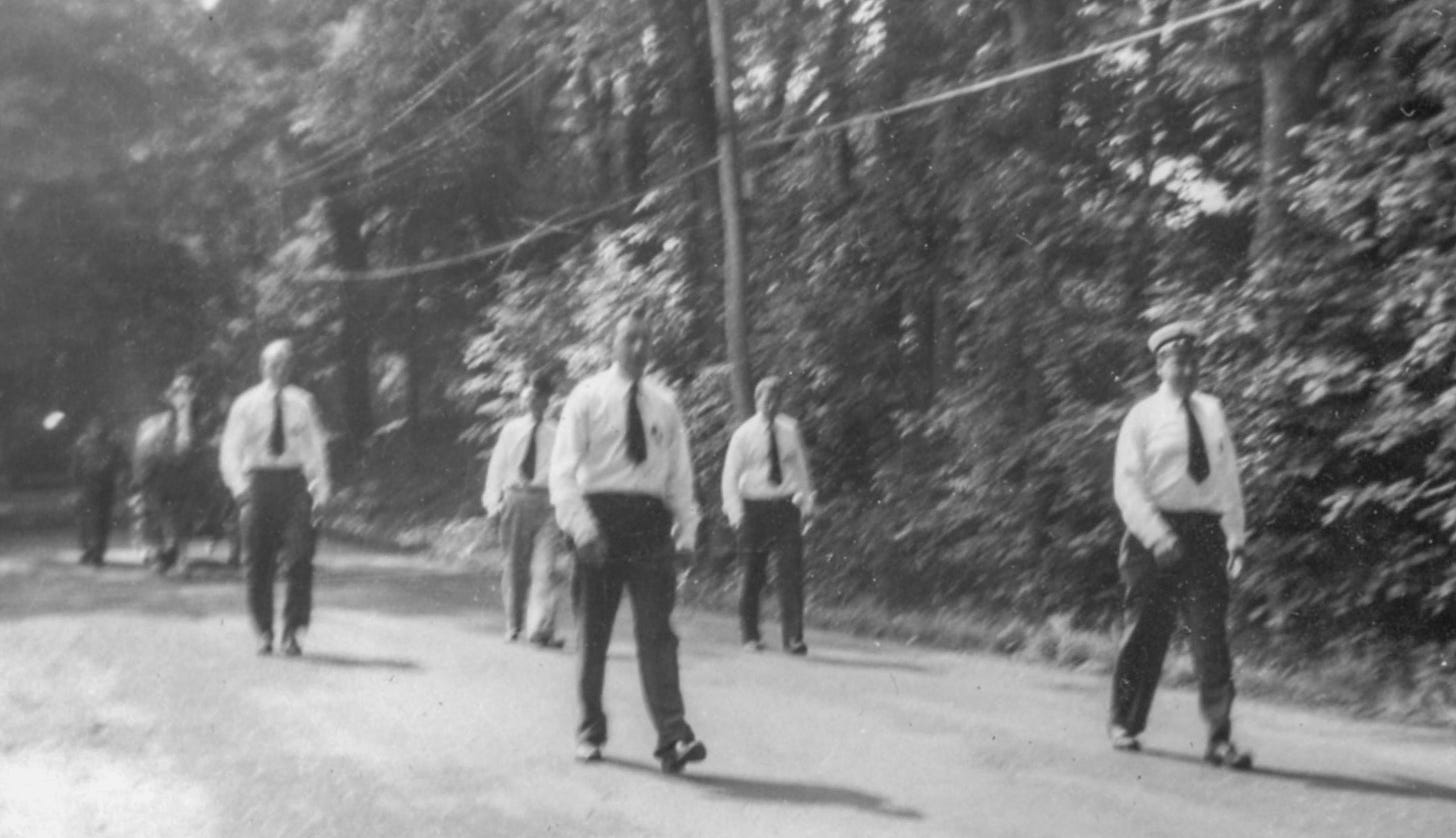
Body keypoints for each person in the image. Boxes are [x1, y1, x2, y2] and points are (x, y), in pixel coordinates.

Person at [549, 306, 707, 774]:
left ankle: (672, 738)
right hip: (599, 523)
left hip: (650, 526)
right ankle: (590, 730)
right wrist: (582, 529)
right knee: (593, 634)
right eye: (629, 339)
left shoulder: (665, 404)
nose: (639, 348)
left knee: (658, 634)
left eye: (645, 339)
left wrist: (688, 530)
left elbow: (680, 476)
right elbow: (561, 473)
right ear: (613, 344)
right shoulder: (587, 397)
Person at [1109, 321, 1252, 769]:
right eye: (1178, 361)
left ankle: (1220, 739)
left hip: (1206, 535)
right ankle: (1125, 724)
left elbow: (1227, 479)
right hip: (1154, 534)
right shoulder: (1143, 416)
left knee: (1212, 637)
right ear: (1160, 365)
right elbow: (1127, 486)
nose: (1188, 369)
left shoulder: (1212, 410)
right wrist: (1157, 536)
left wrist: (1236, 537)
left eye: (1194, 361)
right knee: (1146, 634)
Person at [219, 340, 331, 657]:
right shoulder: (246, 404)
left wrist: (320, 491)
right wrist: (240, 491)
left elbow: (316, 451)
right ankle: (264, 631)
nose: (280, 370)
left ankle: (293, 632)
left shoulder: (303, 403)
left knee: (300, 557)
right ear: (263, 367)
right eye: (274, 364)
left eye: (285, 364)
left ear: (291, 367)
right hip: (258, 483)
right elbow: (229, 452)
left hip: (295, 484)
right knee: (258, 561)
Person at [721, 376, 816, 655]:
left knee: (791, 573)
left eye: (776, 399)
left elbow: (801, 470)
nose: (771, 404)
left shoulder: (790, 429)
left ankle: (793, 638)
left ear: (780, 401)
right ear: (757, 400)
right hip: (753, 508)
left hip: (785, 507)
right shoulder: (744, 434)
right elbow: (729, 478)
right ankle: (750, 635)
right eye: (765, 399)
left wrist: (807, 506)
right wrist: (737, 516)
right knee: (752, 574)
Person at [483, 371, 569, 649]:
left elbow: (566, 472)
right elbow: (496, 468)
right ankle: (514, 624)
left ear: (548, 400)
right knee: (515, 566)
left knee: (546, 568)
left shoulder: (558, 432)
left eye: (540, 396)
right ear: (524, 397)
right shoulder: (511, 430)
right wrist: (492, 503)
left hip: (547, 504)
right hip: (515, 499)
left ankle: (541, 629)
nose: (533, 401)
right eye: (530, 395)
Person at [132, 372, 207, 574]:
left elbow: (191, 450)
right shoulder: (152, 425)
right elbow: (149, 454)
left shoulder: (198, 426)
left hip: (184, 474)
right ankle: (156, 553)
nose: (184, 397)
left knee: (185, 512)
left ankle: (182, 556)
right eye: (179, 393)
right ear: (171, 398)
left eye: (189, 393)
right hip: (156, 475)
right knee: (153, 511)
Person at [71, 416, 128, 567]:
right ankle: (88, 550)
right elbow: (76, 466)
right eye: (94, 427)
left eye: (100, 427)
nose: (97, 430)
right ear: (89, 428)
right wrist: (77, 487)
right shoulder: (82, 443)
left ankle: (98, 552)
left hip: (106, 486)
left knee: (102, 520)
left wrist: (120, 478)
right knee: (87, 521)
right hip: (87, 487)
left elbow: (123, 462)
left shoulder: (113, 444)